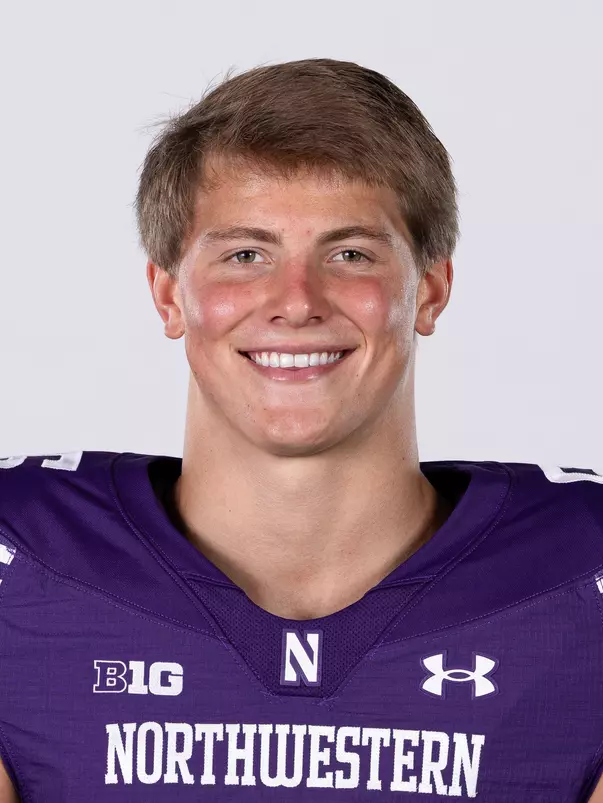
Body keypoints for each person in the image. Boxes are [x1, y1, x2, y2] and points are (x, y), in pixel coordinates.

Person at [0, 57, 602, 802]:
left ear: (430, 289)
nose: (296, 301)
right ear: (168, 295)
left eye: (349, 254)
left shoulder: (581, 573)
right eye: (245, 254)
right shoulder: (22, 563)